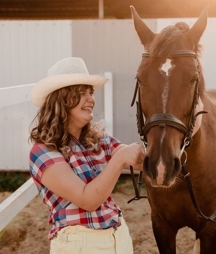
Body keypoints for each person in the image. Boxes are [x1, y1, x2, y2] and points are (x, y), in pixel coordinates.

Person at [28, 57, 145, 254]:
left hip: (118, 237)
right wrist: (120, 159)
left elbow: (141, 161)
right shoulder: (43, 151)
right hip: (80, 245)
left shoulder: (97, 139)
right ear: (62, 99)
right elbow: (88, 200)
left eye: (91, 92)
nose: (91, 99)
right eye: (82, 93)